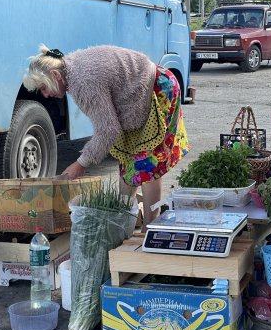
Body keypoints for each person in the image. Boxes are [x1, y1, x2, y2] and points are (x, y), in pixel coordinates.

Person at [22, 44, 189, 225]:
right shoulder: (72, 67)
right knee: (128, 161)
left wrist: (81, 164)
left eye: (44, 88)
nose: (45, 95)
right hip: (140, 94)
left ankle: (149, 227)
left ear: (55, 75)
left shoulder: (83, 83)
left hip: (159, 89)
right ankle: (125, 219)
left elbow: (108, 130)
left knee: (147, 165)